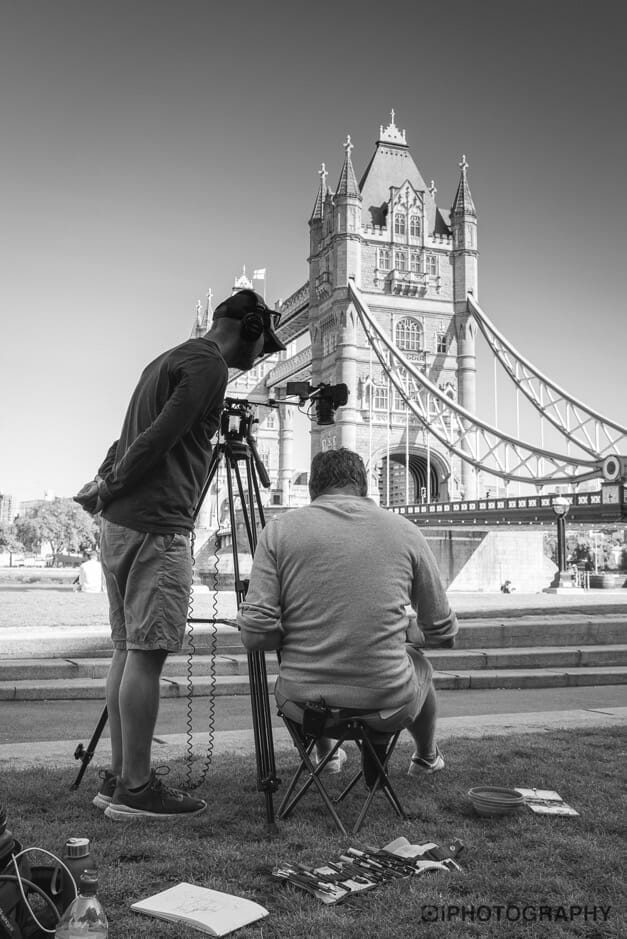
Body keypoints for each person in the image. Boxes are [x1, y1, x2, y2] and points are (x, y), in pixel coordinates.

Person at [74, 289, 285, 821]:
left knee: (126, 650)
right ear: (250, 326)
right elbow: (161, 437)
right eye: (264, 343)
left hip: (119, 525)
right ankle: (138, 790)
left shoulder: (165, 358)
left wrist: (106, 483)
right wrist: (113, 482)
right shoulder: (210, 365)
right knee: (147, 655)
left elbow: (130, 436)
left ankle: (120, 779)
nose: (262, 356)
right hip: (157, 526)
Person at [237, 448, 458, 784]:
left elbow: (255, 636)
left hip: (303, 706)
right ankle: (426, 758)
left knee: (311, 651)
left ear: (314, 489)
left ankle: (325, 755)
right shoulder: (405, 530)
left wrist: (299, 628)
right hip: (386, 705)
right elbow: (443, 634)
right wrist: (405, 630)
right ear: (364, 486)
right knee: (419, 664)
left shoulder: (278, 532)